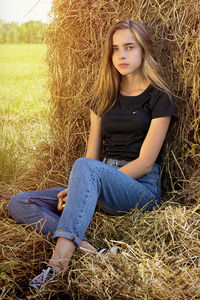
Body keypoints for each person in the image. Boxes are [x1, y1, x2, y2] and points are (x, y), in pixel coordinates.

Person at [8, 19, 178, 289]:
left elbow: (146, 163)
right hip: (97, 178)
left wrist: (90, 182)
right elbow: (91, 157)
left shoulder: (159, 99)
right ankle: (87, 248)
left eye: (129, 47)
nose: (121, 55)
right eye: (115, 49)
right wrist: (79, 188)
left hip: (138, 188)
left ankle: (57, 264)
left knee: (86, 168)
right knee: (19, 202)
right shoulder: (102, 99)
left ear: (144, 49)